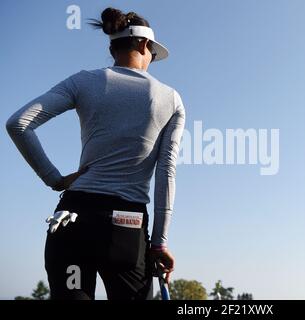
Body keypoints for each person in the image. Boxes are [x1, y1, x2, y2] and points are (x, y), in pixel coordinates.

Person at [5, 7, 185, 300]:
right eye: (153, 51)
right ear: (143, 45)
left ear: (112, 46)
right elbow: (166, 171)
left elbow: (18, 124)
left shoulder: (83, 81)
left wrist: (54, 179)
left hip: (71, 218)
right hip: (126, 227)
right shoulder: (170, 98)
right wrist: (159, 244)